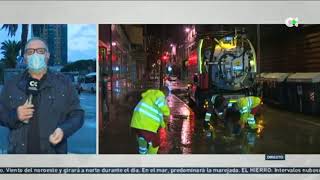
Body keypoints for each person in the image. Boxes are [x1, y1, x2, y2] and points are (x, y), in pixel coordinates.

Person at [0, 37, 84, 154]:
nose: (35, 55)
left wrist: (63, 130)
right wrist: (15, 115)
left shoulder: (64, 82)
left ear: (47, 55)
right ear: (24, 58)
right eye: (30, 52)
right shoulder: (12, 84)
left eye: (40, 51)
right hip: (19, 157)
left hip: (53, 157)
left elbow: (78, 114)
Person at [130, 88, 170, 154]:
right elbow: (162, 109)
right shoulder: (159, 94)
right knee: (155, 143)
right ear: (165, 95)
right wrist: (167, 113)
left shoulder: (148, 96)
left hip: (136, 124)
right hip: (147, 126)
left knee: (142, 142)